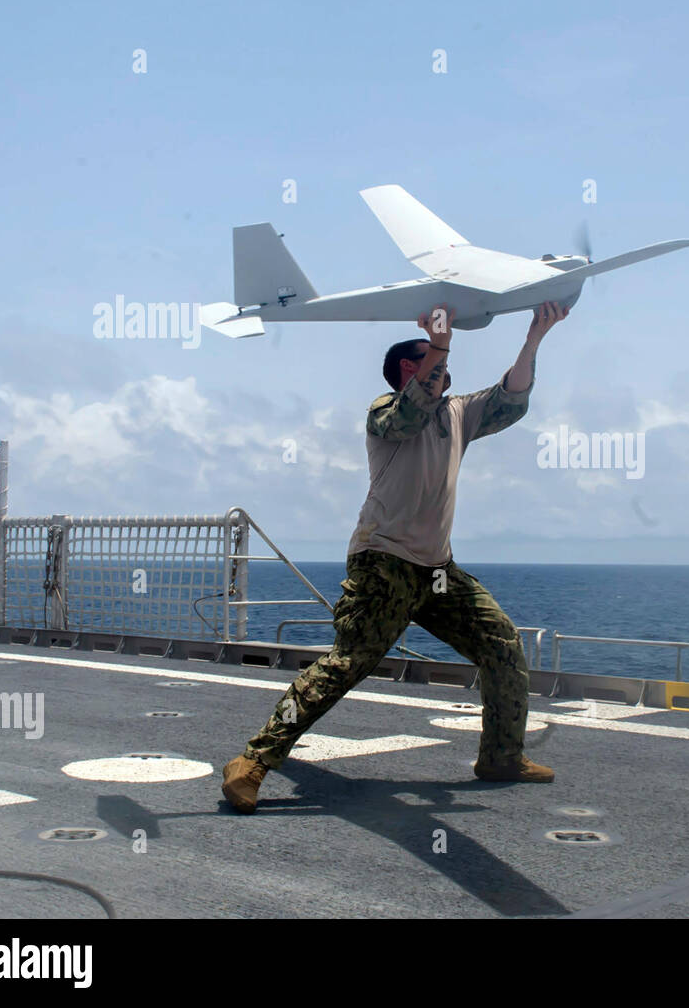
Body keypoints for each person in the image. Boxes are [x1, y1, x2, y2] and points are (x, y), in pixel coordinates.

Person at [221, 300, 569, 813]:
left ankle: (501, 755)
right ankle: (253, 760)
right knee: (348, 663)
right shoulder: (384, 413)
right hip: (382, 562)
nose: (445, 368)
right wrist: (442, 340)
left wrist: (535, 336)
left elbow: (511, 396)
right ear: (411, 369)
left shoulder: (459, 412)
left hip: (436, 572)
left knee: (501, 645)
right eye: (432, 358)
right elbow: (411, 412)